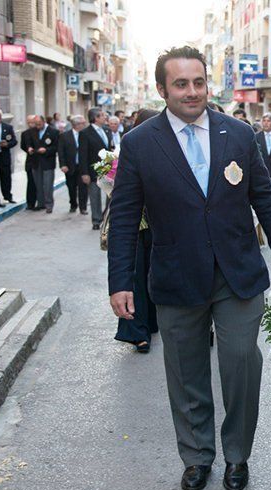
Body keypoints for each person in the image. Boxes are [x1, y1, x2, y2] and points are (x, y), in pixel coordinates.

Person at [108, 46, 271, 490]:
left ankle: (237, 455)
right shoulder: (138, 143)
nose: (192, 92)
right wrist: (119, 283)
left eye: (198, 82)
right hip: (175, 276)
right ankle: (196, 456)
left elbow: (264, 196)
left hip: (238, 274)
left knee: (240, 363)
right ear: (161, 90)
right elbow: (125, 217)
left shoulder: (239, 133)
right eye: (181, 84)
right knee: (186, 371)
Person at [114, 108, 161, 354]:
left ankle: (152, 323)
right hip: (137, 228)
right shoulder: (132, 148)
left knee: (155, 278)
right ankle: (136, 332)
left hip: (159, 227)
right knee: (135, 280)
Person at [79, 107, 113, 229]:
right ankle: (96, 220)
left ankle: (106, 216)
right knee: (95, 196)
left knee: (110, 195)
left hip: (108, 170)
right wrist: (84, 173)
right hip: (93, 170)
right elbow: (82, 154)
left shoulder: (107, 130)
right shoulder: (85, 133)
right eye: (103, 115)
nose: (105, 117)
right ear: (96, 118)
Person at [58, 115, 87, 214]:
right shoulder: (64, 136)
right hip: (70, 166)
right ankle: (73, 204)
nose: (85, 125)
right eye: (83, 123)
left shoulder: (86, 135)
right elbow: (61, 152)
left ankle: (83, 207)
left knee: (83, 187)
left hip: (83, 166)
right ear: (77, 125)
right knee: (71, 186)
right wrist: (63, 165)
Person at [0, 107, 17, 204]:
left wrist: (7, 144)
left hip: (4, 156)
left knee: (6, 177)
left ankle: (8, 196)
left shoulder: (8, 127)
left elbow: (14, 141)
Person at [32, 115, 59, 213]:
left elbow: (56, 147)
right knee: (38, 184)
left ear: (43, 122)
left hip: (48, 162)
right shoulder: (33, 131)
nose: (37, 126)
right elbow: (29, 144)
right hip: (36, 162)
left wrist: (46, 150)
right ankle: (41, 203)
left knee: (48, 185)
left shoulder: (53, 132)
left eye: (39, 124)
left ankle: (49, 204)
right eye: (36, 124)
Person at [20, 115, 40, 210]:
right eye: (29, 122)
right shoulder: (25, 134)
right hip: (30, 161)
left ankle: (40, 202)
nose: (31, 124)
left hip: (40, 161)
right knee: (31, 182)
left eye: (33, 122)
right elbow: (23, 146)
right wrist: (29, 150)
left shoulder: (40, 132)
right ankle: (30, 203)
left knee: (39, 183)